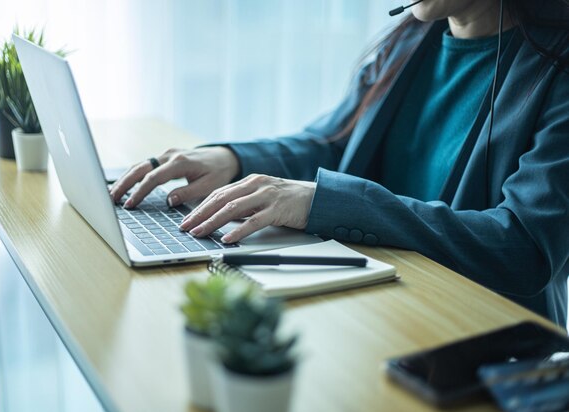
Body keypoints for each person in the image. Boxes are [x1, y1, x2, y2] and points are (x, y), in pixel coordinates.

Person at [110, 0, 569, 327]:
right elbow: (334, 143)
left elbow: (522, 248)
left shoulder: (557, 65)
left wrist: (332, 202)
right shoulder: (414, 37)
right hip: (382, 311)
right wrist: (233, 158)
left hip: (475, 342)